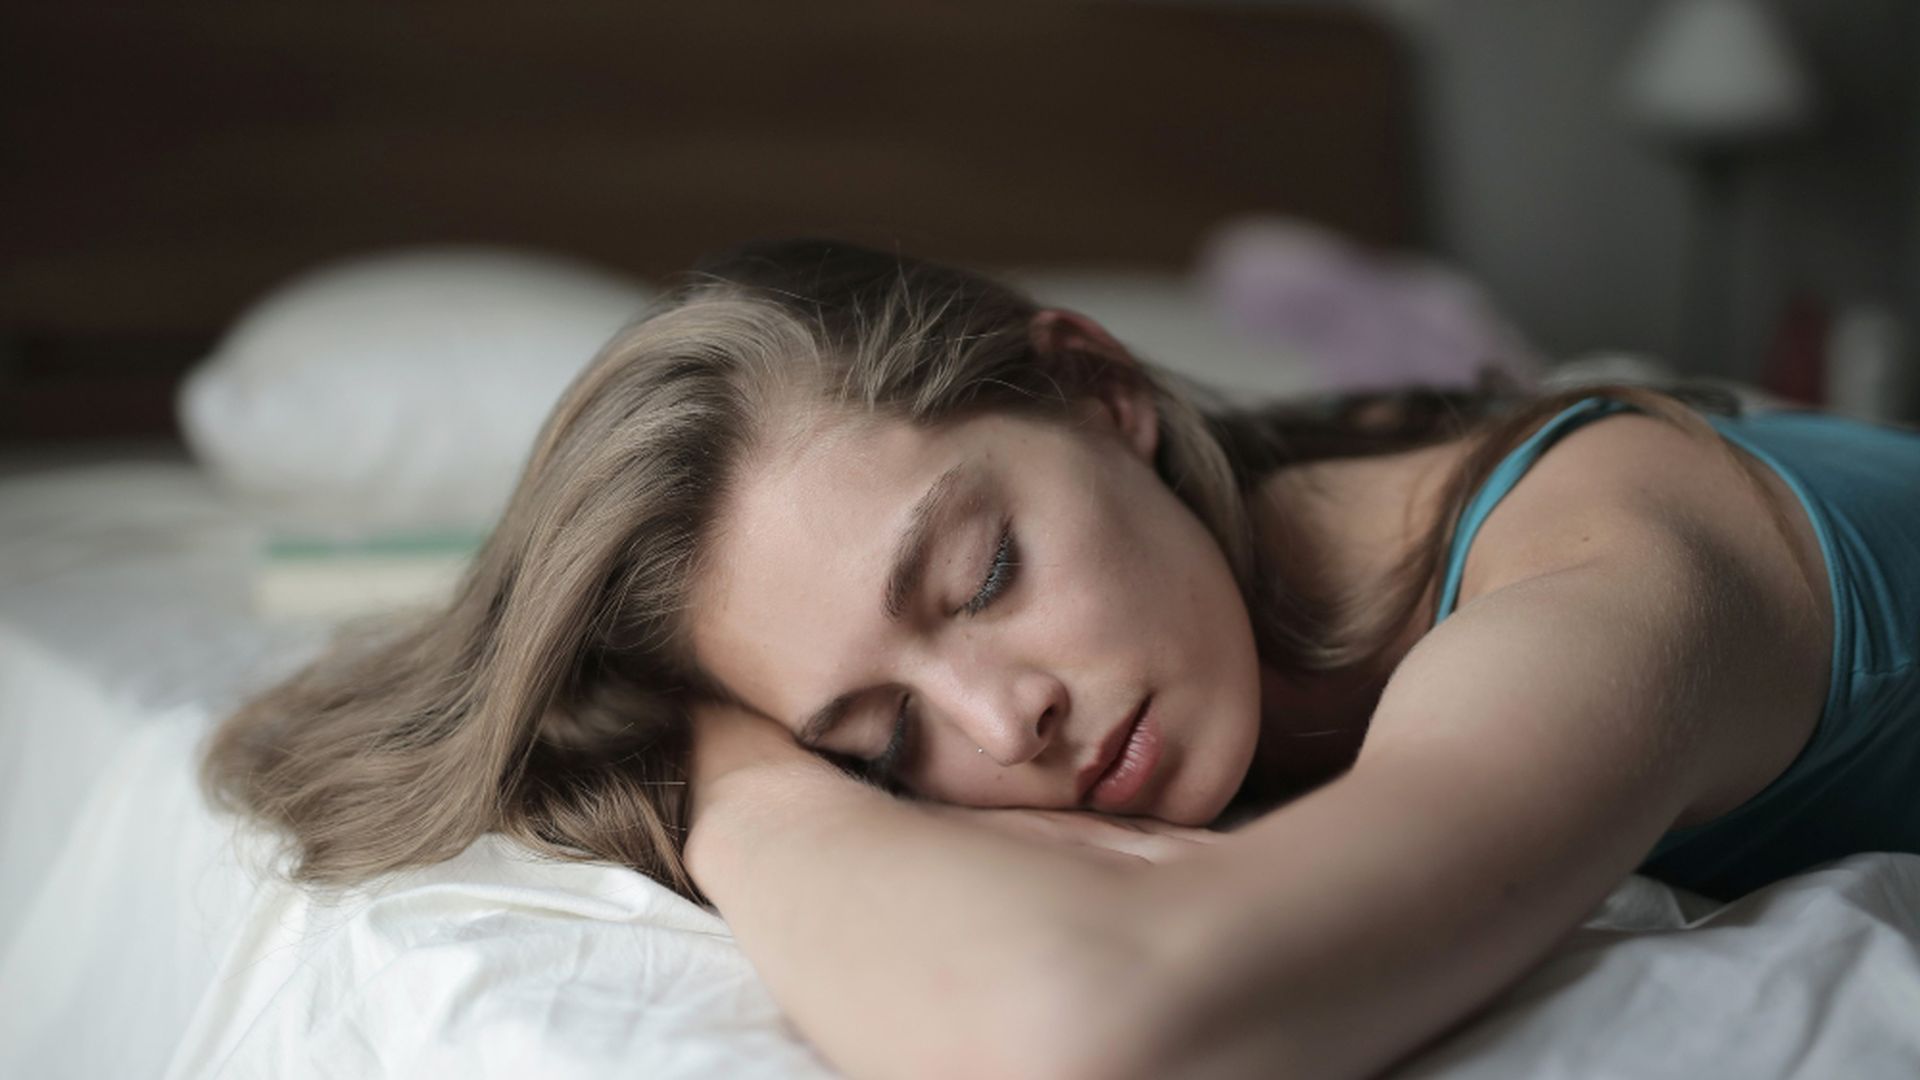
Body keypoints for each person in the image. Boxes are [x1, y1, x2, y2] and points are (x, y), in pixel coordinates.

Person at [201, 237, 1920, 1079]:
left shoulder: (1597, 571)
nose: (1000, 719)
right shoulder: (1249, 589)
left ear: (1101, 391)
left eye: (984, 572)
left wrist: (722, 772)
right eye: (875, 743)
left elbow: (1098, 1020)